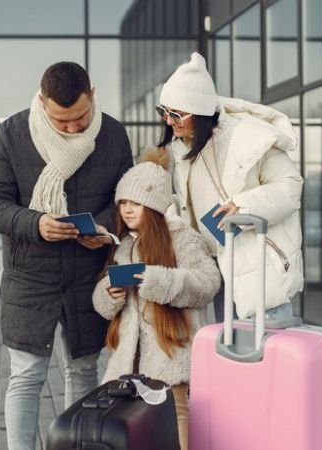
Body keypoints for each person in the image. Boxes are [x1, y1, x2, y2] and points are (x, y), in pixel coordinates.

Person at [0, 61, 134, 449]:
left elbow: (127, 201)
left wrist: (101, 226)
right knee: (27, 374)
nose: (72, 128)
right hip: (29, 276)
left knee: (82, 370)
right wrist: (36, 223)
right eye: (61, 120)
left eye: (79, 117)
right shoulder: (13, 133)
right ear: (43, 101)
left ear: (92, 95)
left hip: (88, 273)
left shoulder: (113, 135)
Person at [156, 52, 304, 322]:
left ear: (199, 111)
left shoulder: (249, 137)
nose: (168, 120)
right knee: (228, 352)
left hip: (256, 264)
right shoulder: (182, 145)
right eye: (163, 112)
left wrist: (244, 207)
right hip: (213, 265)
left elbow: (290, 187)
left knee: (264, 351)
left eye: (176, 113)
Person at [92, 150, 221, 450]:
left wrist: (157, 280)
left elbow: (207, 283)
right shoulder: (123, 246)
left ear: (154, 204)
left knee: (176, 423)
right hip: (129, 365)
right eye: (123, 202)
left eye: (135, 203)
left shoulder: (182, 239)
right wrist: (109, 294)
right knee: (136, 432)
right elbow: (103, 303)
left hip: (171, 357)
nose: (127, 210)